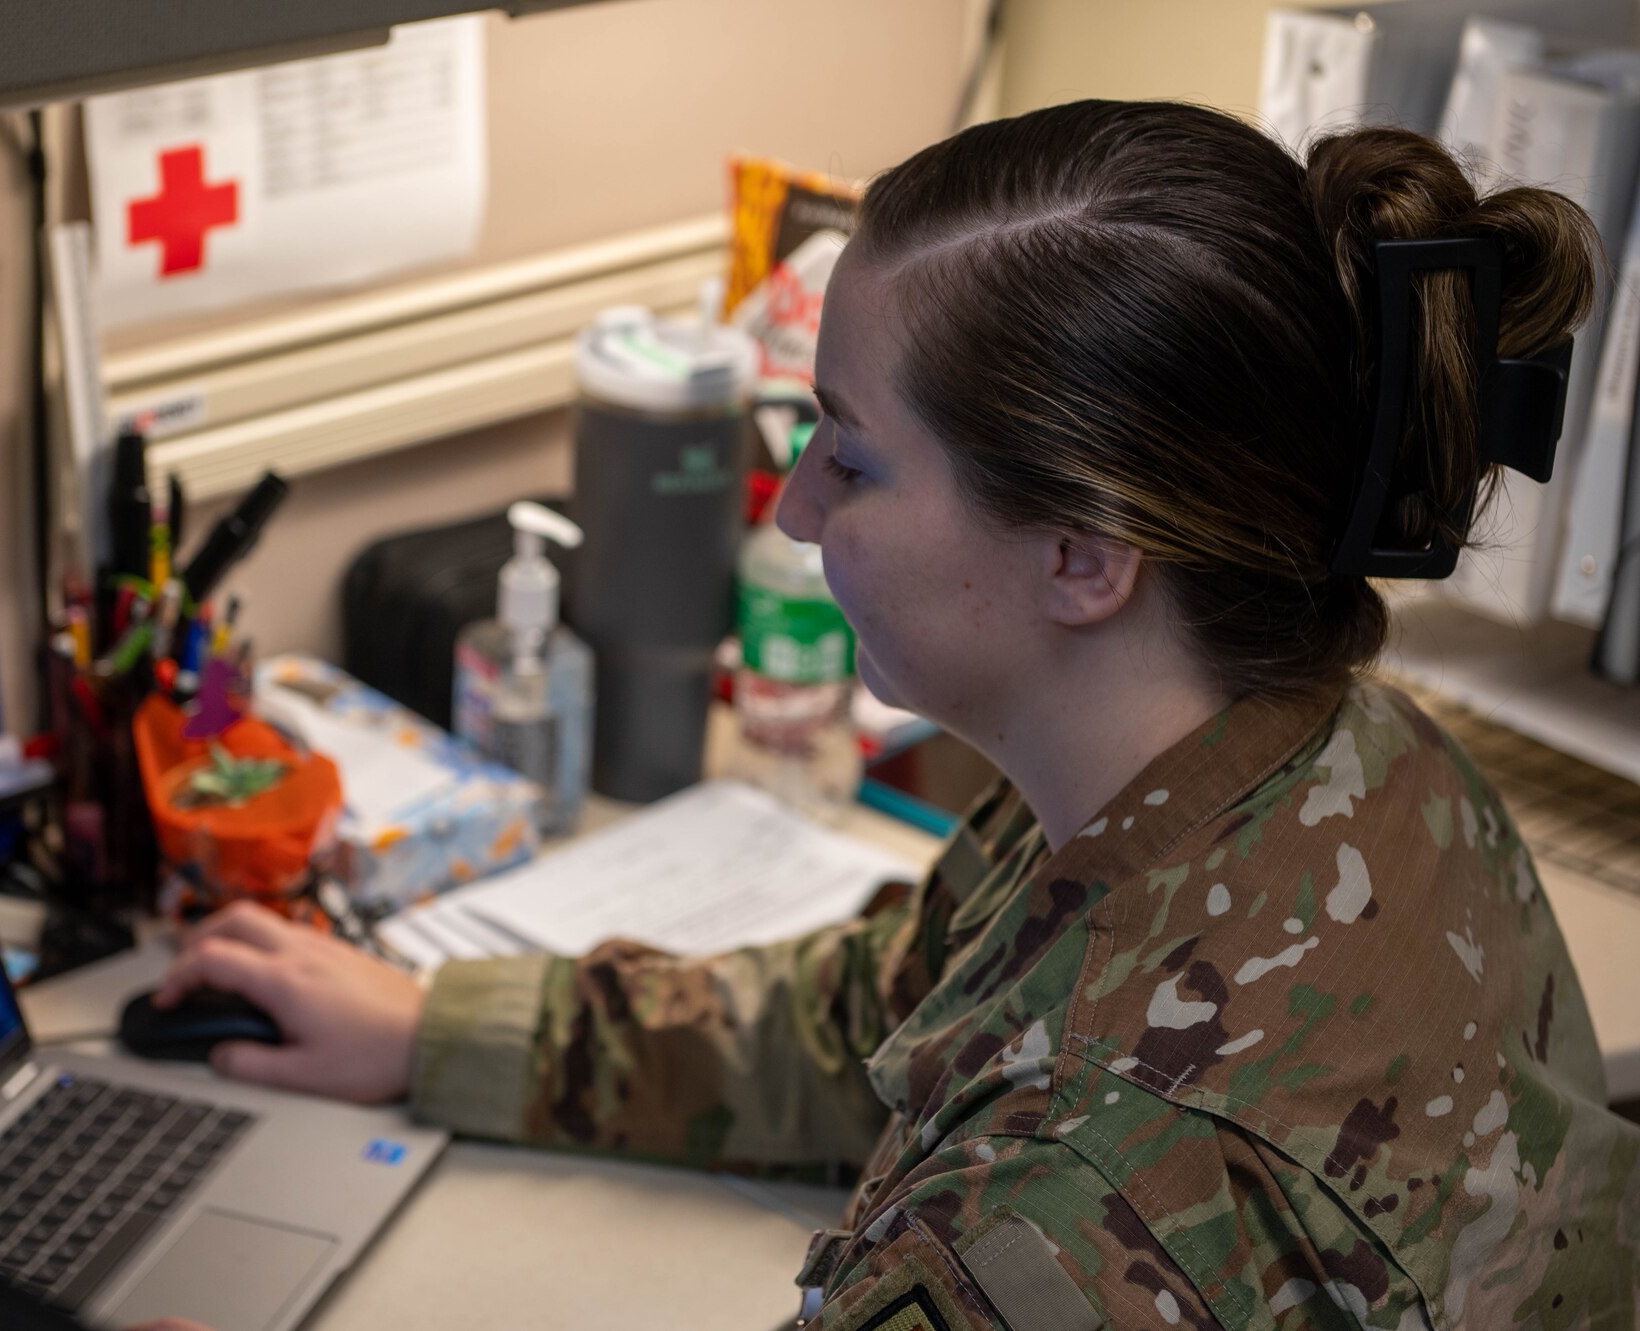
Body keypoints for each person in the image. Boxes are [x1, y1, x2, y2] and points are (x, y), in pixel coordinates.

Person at [151, 101, 1640, 1329]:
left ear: (1084, 554)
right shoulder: (1339, 757)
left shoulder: (1064, 1218)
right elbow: (896, 1012)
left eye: (850, 460)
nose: (794, 507)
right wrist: (442, 1028)